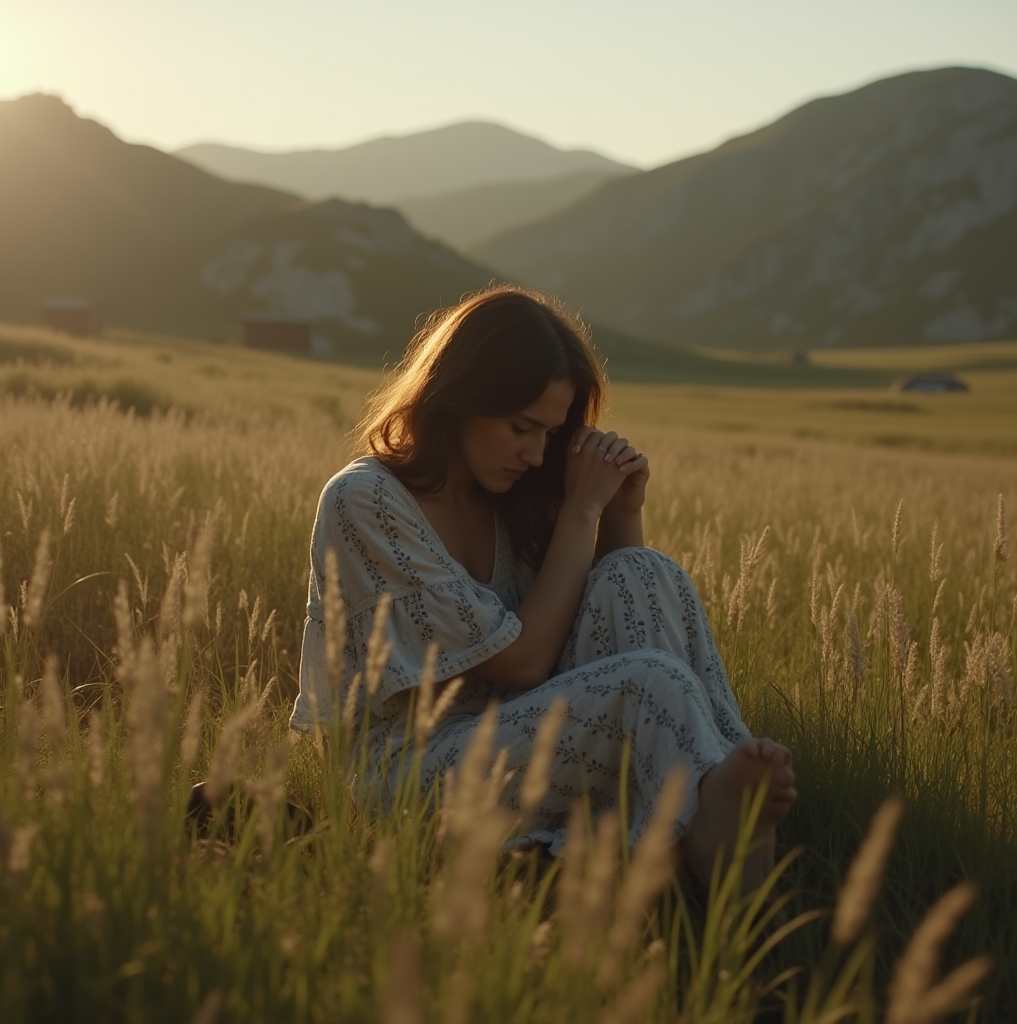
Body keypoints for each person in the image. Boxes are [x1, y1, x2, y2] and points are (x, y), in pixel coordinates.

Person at [289, 286, 796, 890]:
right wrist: (581, 511)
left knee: (647, 572)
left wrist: (618, 513)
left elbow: (618, 622)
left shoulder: (512, 496)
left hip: (519, 740)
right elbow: (525, 663)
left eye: (551, 435)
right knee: (649, 683)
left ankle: (699, 812)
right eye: (521, 427)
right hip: (407, 775)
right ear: (458, 400)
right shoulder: (364, 500)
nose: (535, 454)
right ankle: (709, 822)